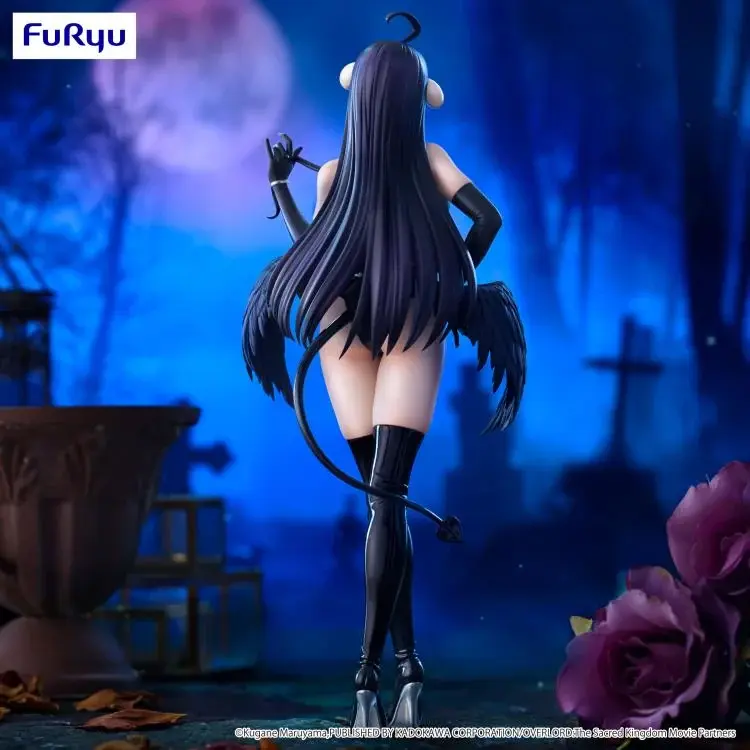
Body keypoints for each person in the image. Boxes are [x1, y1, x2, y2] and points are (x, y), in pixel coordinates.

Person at [242, 12, 526, 729]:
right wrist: (445, 285)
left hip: (347, 331)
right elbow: (486, 221)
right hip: (405, 327)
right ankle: (395, 675)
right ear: (413, 98)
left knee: (384, 503)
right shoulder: (426, 161)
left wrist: (280, 188)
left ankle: (381, 676)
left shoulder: (337, 172)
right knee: (386, 501)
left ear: (360, 95)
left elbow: (312, 251)